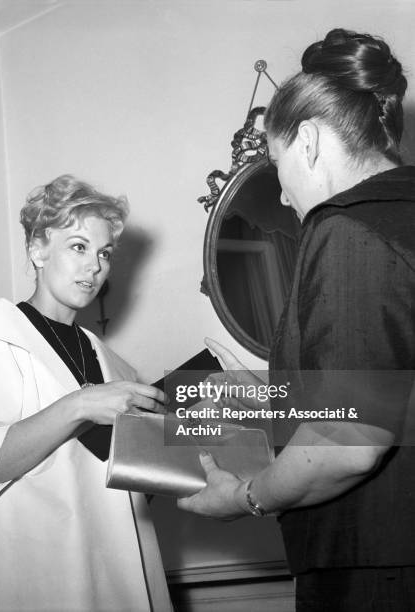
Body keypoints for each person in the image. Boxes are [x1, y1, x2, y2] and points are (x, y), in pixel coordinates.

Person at [178, 28, 415, 611]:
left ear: (307, 140)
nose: (281, 196)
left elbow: (349, 443)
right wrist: (274, 402)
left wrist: (242, 498)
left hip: (376, 568)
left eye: (277, 163)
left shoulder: (346, 228)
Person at [0, 175, 172, 612]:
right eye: (79, 246)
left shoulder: (111, 362)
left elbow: (131, 486)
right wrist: (81, 404)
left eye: (104, 253)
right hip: (34, 574)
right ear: (37, 250)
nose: (95, 267)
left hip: (115, 566)